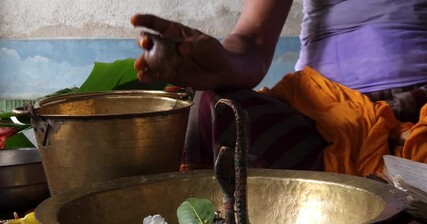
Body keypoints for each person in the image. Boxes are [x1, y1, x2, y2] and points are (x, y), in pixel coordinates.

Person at [131, 0, 427, 176]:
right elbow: (251, 41)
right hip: (317, 117)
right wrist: (220, 63)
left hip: (419, 107)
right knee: (210, 109)